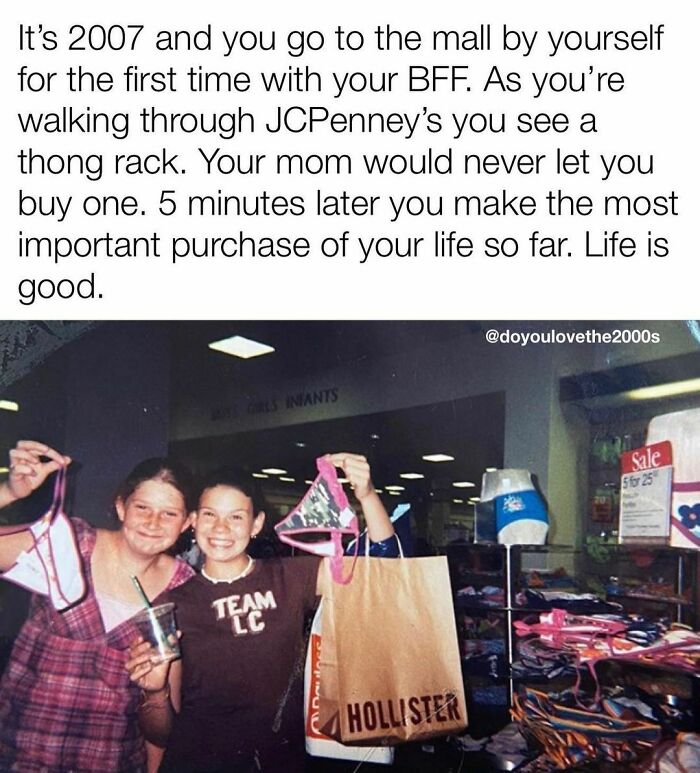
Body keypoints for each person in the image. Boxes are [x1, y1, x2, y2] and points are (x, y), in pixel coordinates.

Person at [127, 453, 397, 773]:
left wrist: (366, 495)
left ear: (256, 524)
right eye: (210, 515)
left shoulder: (291, 577)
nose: (221, 528)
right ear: (194, 520)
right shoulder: (174, 604)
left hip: (282, 760)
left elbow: (383, 570)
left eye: (236, 517)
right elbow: (161, 733)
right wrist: (154, 691)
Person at [0, 439, 196, 773]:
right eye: (142, 508)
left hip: (110, 763)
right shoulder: (70, 544)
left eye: (169, 513)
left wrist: (156, 691)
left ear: (187, 522)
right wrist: (9, 491)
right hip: (20, 756)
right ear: (121, 506)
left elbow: (161, 733)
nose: (153, 522)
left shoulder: (184, 590)